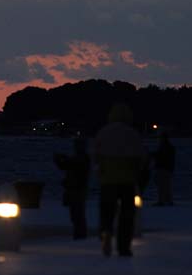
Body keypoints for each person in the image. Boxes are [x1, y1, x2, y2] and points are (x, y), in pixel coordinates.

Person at [92, 103, 147, 257]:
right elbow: (141, 158)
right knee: (126, 215)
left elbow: (96, 156)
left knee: (107, 212)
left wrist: (100, 172)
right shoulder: (132, 134)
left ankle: (106, 232)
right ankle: (124, 246)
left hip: (107, 180)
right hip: (128, 181)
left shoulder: (104, 133)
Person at [54, 136, 91, 240]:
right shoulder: (80, 158)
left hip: (77, 190)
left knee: (77, 214)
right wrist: (60, 160)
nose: (77, 148)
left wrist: (60, 159)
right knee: (76, 214)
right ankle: (79, 234)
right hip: (74, 189)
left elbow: (68, 164)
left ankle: (80, 235)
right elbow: (66, 165)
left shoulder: (82, 158)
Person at [152, 132, 176, 206]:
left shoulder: (164, 147)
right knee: (167, 185)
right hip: (167, 168)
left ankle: (162, 201)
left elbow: (161, 156)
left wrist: (153, 155)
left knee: (162, 185)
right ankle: (168, 200)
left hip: (163, 168)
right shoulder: (169, 147)